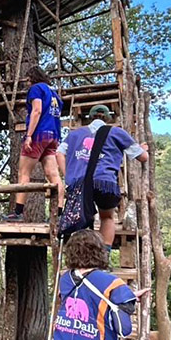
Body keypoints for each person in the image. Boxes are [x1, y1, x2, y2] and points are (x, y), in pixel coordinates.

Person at [56, 104, 148, 245]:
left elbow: (59, 152)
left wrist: (68, 174)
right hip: (105, 181)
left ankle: (80, 256)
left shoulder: (74, 134)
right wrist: (143, 149)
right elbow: (143, 157)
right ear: (108, 118)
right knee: (107, 218)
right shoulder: (117, 132)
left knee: (79, 217)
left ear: (90, 118)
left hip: (79, 183)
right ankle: (104, 256)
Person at [4, 67, 63, 222]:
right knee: (53, 175)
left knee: (23, 173)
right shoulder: (55, 94)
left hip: (39, 134)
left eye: (28, 79)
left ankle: (18, 212)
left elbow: (36, 111)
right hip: (53, 135)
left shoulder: (36, 89)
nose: (27, 82)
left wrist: (29, 135)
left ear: (32, 78)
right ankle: (60, 211)